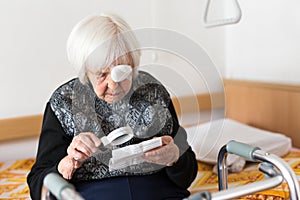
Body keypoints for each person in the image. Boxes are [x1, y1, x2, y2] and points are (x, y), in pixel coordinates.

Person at [27, 13, 198, 200]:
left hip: (158, 192)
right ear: (86, 71)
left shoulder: (153, 93)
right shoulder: (64, 102)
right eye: (102, 74)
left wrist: (175, 157)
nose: (114, 85)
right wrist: (66, 165)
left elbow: (187, 174)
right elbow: (38, 184)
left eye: (123, 71)